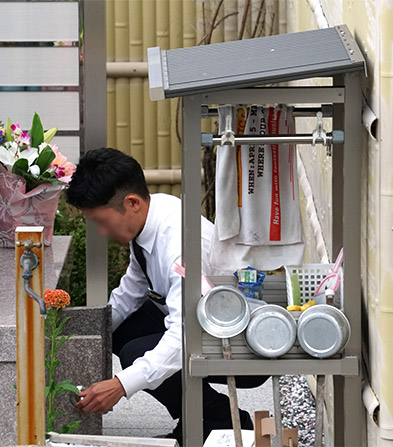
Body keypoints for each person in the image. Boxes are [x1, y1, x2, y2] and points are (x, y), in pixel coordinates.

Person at [65, 147, 268, 444]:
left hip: (240, 340)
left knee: (137, 354)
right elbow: (128, 294)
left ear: (131, 202)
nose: (102, 232)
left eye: (101, 221)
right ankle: (199, 417)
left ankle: (217, 421)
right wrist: (81, 339)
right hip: (197, 319)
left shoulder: (181, 243)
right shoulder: (148, 217)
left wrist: (121, 385)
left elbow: (183, 335)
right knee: (121, 328)